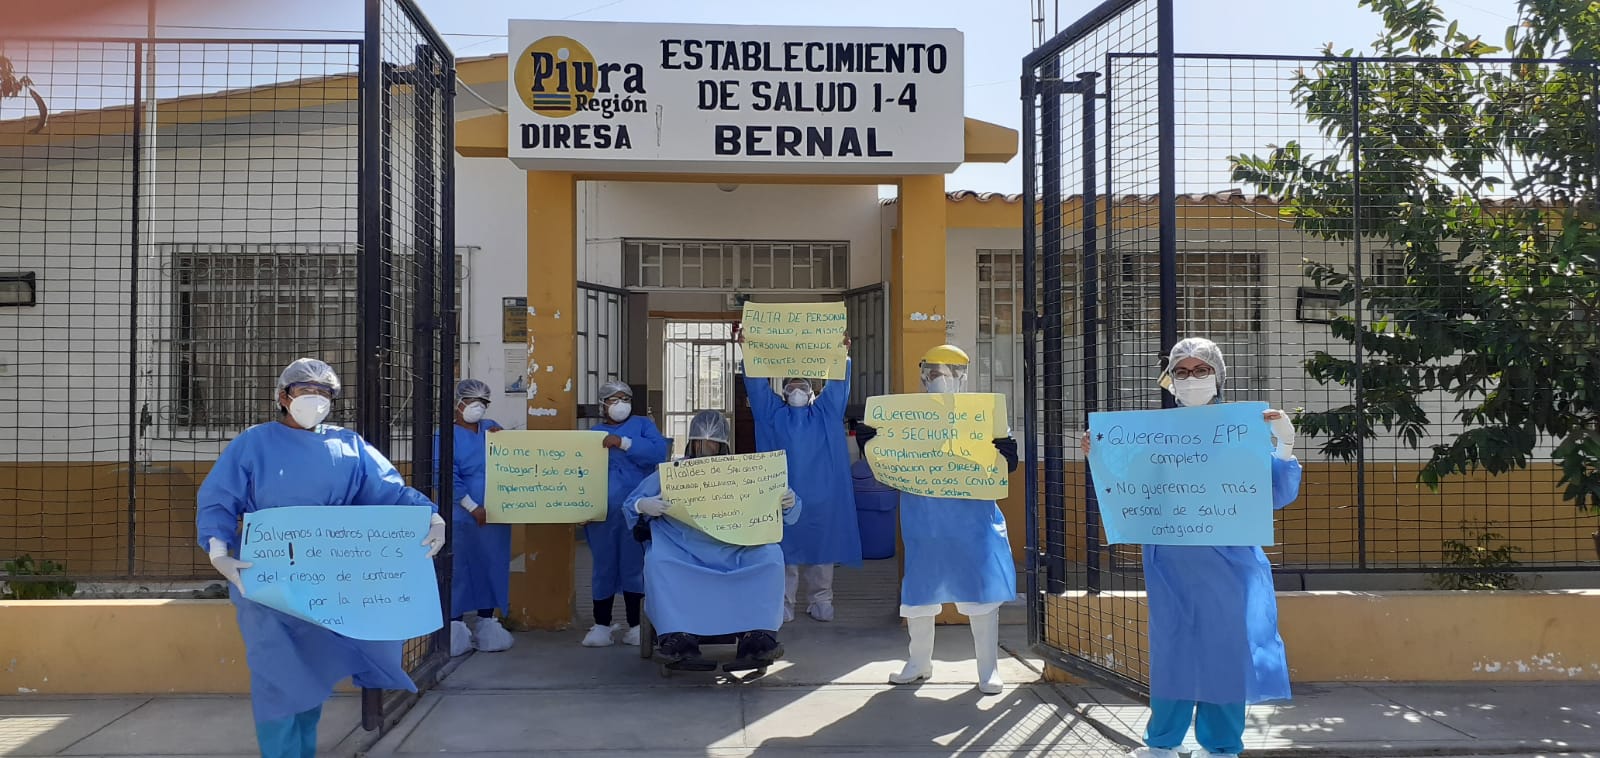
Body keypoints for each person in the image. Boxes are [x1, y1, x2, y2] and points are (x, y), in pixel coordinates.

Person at [195, 358, 446, 758]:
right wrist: (219, 551)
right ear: (283, 397)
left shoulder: (348, 446)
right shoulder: (254, 443)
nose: (314, 399)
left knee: (310, 674)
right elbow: (218, 499)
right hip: (265, 579)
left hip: (327, 581)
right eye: (304, 390)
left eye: (323, 392)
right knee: (276, 672)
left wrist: (430, 516)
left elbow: (390, 491)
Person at [1081, 338, 1303, 758]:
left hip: (1230, 563)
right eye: (1181, 371)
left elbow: (1275, 494)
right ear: (1170, 380)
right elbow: (1131, 491)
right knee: (1173, 650)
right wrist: (1101, 457)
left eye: (1202, 370)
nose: (1191, 378)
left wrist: (1284, 446)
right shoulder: (1155, 435)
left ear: (1219, 376)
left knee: (1225, 652)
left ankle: (1221, 746)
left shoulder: (1241, 430)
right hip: (1170, 562)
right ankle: (1163, 743)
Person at [854, 344, 1020, 696]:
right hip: (925, 522)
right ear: (922, 377)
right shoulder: (906, 421)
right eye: (932, 373)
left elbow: (1000, 465)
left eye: (948, 372)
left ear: (963, 377)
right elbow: (889, 465)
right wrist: (872, 446)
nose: (939, 379)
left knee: (980, 594)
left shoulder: (981, 416)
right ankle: (918, 662)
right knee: (919, 596)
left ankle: (988, 668)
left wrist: (1007, 454)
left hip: (972, 522)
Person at [623, 410, 801, 671]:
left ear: (723, 445)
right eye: (701, 442)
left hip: (736, 547)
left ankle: (758, 637)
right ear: (691, 443)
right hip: (682, 549)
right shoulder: (672, 473)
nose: (706, 448)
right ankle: (678, 639)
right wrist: (642, 504)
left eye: (713, 443)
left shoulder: (742, 472)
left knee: (770, 557)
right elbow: (630, 505)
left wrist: (789, 502)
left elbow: (788, 513)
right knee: (658, 561)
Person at [738, 331, 860, 623]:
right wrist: (748, 352)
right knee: (785, 554)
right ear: (783, 392)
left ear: (812, 391)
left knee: (822, 552)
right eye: (791, 387)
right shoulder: (771, 413)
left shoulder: (826, 413)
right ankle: (785, 603)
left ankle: (821, 600)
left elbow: (838, 385)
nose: (796, 391)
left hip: (821, 499)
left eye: (801, 386)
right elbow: (756, 386)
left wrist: (841, 354)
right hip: (783, 499)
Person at [581, 379, 668, 647]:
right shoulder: (593, 434)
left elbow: (658, 452)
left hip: (636, 511)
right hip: (602, 514)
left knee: (635, 568)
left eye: (625, 399)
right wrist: (579, 505)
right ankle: (601, 624)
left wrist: (624, 443)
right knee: (603, 567)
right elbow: (579, 472)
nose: (620, 404)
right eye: (614, 399)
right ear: (603, 404)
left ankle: (636, 625)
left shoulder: (643, 426)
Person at [437, 379, 515, 657]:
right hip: (462, 514)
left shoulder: (491, 428)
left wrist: (505, 441)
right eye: (471, 402)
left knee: (492, 564)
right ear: (458, 404)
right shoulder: (445, 436)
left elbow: (512, 459)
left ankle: (487, 620)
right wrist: (471, 506)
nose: (477, 408)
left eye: (482, 403)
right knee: (458, 568)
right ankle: (455, 624)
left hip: (496, 513)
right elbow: (445, 473)